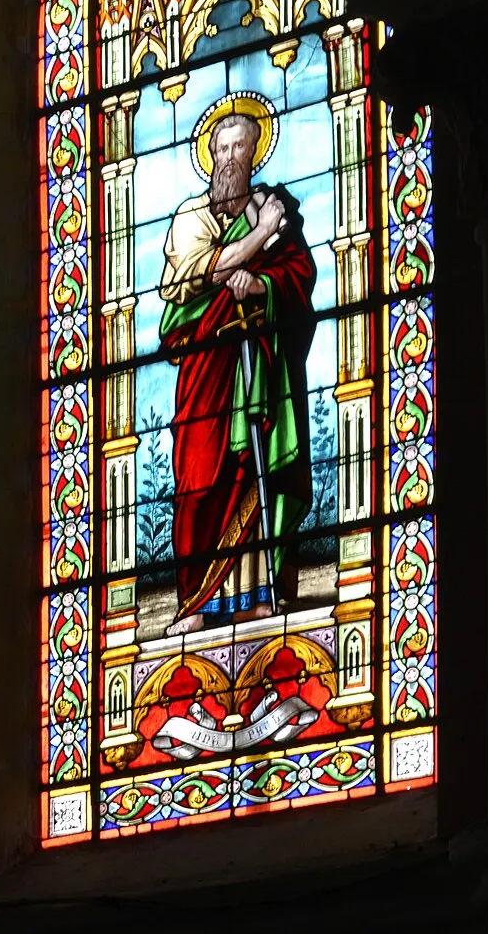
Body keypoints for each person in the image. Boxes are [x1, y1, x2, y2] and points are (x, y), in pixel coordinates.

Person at [159, 108, 316, 636]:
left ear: (253, 156)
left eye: (239, 149)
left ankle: (255, 596)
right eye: (221, 149)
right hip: (208, 372)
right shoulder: (191, 220)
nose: (229, 159)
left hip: (258, 371)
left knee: (255, 469)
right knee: (201, 479)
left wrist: (265, 287)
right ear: (210, 157)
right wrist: (260, 235)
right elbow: (203, 272)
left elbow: (298, 272)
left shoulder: (271, 210)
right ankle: (196, 602)